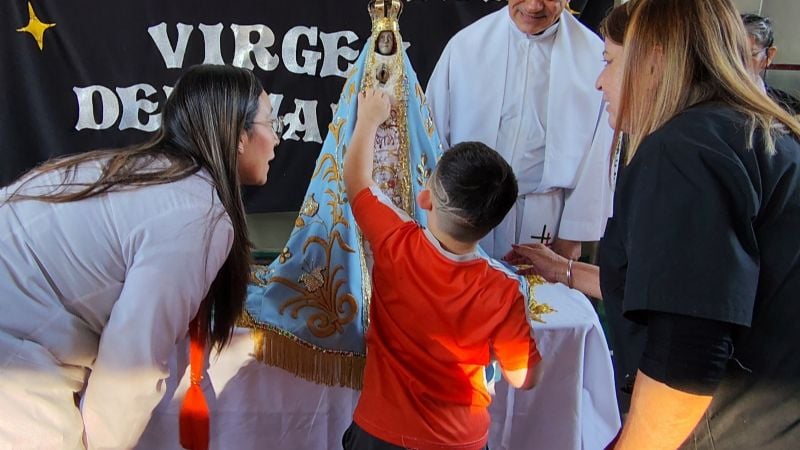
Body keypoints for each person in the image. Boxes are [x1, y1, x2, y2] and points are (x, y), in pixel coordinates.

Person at [512, 0, 800, 448]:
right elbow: (685, 287)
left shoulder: (682, 153)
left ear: (655, 59)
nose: (599, 82)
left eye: (609, 62)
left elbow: (684, 359)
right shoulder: (746, 131)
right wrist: (564, 271)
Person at [0, 64, 279, 449]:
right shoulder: (196, 213)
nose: (278, 138)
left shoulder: (145, 174)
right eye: (270, 122)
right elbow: (129, 370)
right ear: (238, 136)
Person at [340, 88, 540, 450]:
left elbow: (356, 181)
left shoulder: (394, 242)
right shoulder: (504, 291)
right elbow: (523, 377)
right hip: (459, 439)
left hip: (380, 430)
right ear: (492, 222)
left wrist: (369, 118)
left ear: (425, 196)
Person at [426, 0, 615, 261]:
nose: (534, 6)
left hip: (545, 221)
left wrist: (572, 235)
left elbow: (601, 152)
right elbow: (431, 134)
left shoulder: (595, 57)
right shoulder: (466, 47)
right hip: (466, 213)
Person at [741, 13, 800, 115]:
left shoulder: (790, 110)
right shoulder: (707, 104)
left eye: (748, 55)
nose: (736, 63)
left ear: (769, 55)